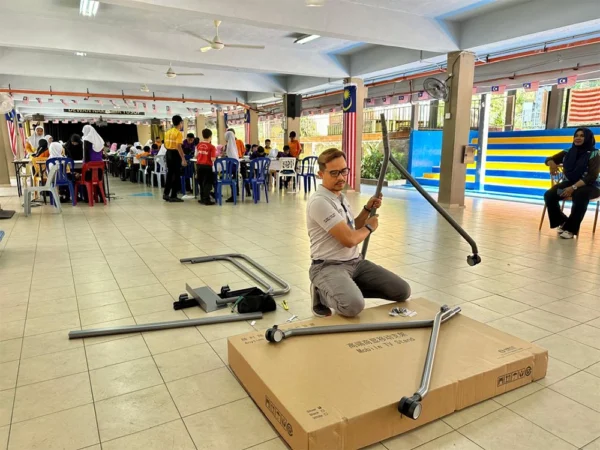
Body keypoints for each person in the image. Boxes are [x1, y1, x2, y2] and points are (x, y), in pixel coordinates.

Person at [307, 148, 411, 317]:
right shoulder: (320, 202)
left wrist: (367, 209)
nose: (341, 177)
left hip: (355, 263)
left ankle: (344, 286)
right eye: (334, 173)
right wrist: (369, 227)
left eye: (343, 171)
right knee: (352, 306)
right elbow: (349, 239)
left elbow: (351, 227)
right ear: (321, 174)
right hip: (327, 266)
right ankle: (321, 292)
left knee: (402, 291)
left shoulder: (339, 196)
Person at [544, 127, 600, 239]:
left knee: (580, 194)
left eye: (582, 136)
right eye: (576, 135)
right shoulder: (568, 151)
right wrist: (552, 164)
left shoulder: (595, 154)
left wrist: (573, 188)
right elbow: (549, 159)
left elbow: (591, 176)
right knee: (550, 195)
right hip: (569, 185)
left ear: (588, 138)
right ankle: (564, 222)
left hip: (591, 187)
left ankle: (571, 229)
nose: (578, 138)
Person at [163, 115, 187, 202]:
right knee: (176, 175)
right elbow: (178, 146)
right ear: (180, 123)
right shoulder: (178, 133)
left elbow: (165, 145)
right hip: (175, 154)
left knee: (170, 174)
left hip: (168, 153)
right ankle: (173, 195)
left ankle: (166, 194)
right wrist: (183, 158)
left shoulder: (168, 132)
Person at [196, 128, 217, 205]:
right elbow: (213, 159)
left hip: (199, 165)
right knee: (207, 183)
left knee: (201, 182)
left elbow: (196, 155)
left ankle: (202, 198)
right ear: (210, 136)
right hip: (207, 166)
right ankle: (206, 200)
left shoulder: (198, 145)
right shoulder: (212, 147)